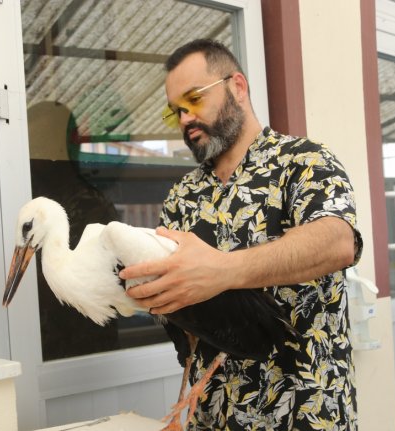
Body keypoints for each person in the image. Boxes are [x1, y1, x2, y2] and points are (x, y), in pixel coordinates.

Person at [121, 39, 362, 430]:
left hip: (305, 413)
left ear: (237, 86)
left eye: (194, 99)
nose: (185, 118)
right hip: (213, 418)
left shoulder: (304, 161)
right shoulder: (182, 196)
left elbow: (338, 242)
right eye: (175, 112)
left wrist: (223, 271)